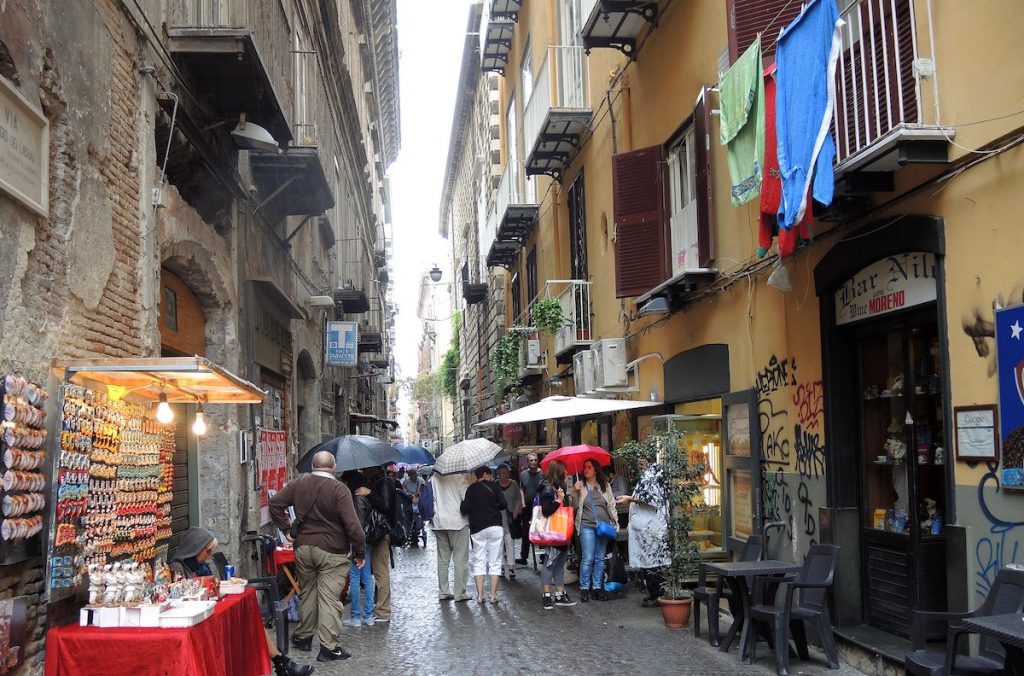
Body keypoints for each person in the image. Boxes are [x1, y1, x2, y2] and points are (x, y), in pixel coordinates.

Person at [170, 527, 314, 676]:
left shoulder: (201, 567)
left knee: (250, 618)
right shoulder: (178, 568)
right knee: (246, 621)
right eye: (207, 551)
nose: (209, 557)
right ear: (196, 549)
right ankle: (282, 663)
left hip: (209, 612)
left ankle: (281, 662)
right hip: (196, 619)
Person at [270, 451, 365, 662]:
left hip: (304, 548)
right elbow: (353, 525)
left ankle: (304, 637)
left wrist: (286, 528)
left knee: (308, 592)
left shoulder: (298, 484)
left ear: (313, 466)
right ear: (333, 467)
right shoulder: (339, 489)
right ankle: (329, 648)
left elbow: (275, 503)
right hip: (332, 550)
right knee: (330, 599)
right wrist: (359, 551)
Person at [616, 457, 670, 607]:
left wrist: (630, 499)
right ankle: (653, 593)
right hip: (646, 527)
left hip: (651, 527)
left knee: (653, 563)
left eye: (641, 461)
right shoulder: (650, 476)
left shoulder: (653, 477)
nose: (638, 465)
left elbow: (651, 500)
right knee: (648, 562)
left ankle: (658, 595)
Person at [459, 466, 507, 603]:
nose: (491, 477)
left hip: (478, 528)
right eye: (490, 475)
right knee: (495, 561)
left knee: (479, 561)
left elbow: (464, 509)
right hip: (495, 526)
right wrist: (493, 506)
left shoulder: (471, 489)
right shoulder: (494, 486)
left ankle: (480, 595)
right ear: (485, 474)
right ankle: (493, 595)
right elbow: (504, 504)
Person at [573, 458, 618, 602]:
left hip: (603, 527)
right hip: (586, 526)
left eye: (589, 467)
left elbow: (611, 505)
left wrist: (615, 523)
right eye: (584, 467)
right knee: (588, 558)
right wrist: (575, 493)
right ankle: (584, 588)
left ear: (595, 470)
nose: (586, 469)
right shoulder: (580, 486)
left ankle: (597, 587)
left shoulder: (605, 486)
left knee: (600, 558)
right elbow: (573, 506)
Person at [537, 460, 577, 610]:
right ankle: (547, 596)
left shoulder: (558, 488)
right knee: (549, 563)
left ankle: (559, 594)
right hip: (553, 533)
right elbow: (546, 511)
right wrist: (559, 501)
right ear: (559, 471)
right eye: (565, 470)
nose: (567, 473)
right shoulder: (548, 489)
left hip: (561, 532)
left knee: (559, 564)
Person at [430, 470, 472, 602]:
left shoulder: (433, 478)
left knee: (443, 559)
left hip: (439, 522)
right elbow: (467, 498)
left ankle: (443, 591)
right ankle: (460, 593)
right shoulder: (459, 477)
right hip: (457, 521)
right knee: (460, 559)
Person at [340, 472, 375, 629]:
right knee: (366, 577)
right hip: (366, 541)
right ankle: (368, 615)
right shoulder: (364, 497)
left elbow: (357, 526)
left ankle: (356, 616)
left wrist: (355, 546)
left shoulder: (357, 499)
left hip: (359, 542)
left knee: (356, 577)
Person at [362, 464, 394, 623]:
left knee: (381, 572)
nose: (364, 471)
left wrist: (370, 494)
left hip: (382, 533)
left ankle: (383, 611)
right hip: (379, 533)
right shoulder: (380, 481)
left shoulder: (384, 482)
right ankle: (380, 607)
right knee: (378, 570)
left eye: (366, 468)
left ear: (374, 467)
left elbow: (386, 507)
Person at [495, 464, 523, 579]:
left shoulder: (514, 484)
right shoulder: (495, 485)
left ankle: (511, 567)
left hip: (511, 518)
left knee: (510, 543)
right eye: (503, 472)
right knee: (499, 544)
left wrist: (516, 511)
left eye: (507, 472)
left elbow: (518, 498)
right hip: (498, 518)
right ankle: (500, 566)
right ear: (498, 474)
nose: (506, 475)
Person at [518, 453, 544, 564]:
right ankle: (524, 556)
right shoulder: (523, 474)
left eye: (535, 460)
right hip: (527, 506)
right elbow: (521, 489)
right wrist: (522, 503)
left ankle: (543, 555)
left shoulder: (543, 474)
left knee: (541, 529)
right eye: (531, 460)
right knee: (525, 531)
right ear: (527, 462)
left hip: (540, 506)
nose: (533, 462)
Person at [401, 468, 427, 547]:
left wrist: (420, 494)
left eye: (415, 475)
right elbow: (403, 491)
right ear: (409, 476)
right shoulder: (406, 482)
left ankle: (418, 529)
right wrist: (409, 495)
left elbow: (425, 491)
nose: (414, 477)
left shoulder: (421, 481)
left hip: (419, 503)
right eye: (412, 475)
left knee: (418, 518)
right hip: (409, 503)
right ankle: (408, 532)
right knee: (407, 518)